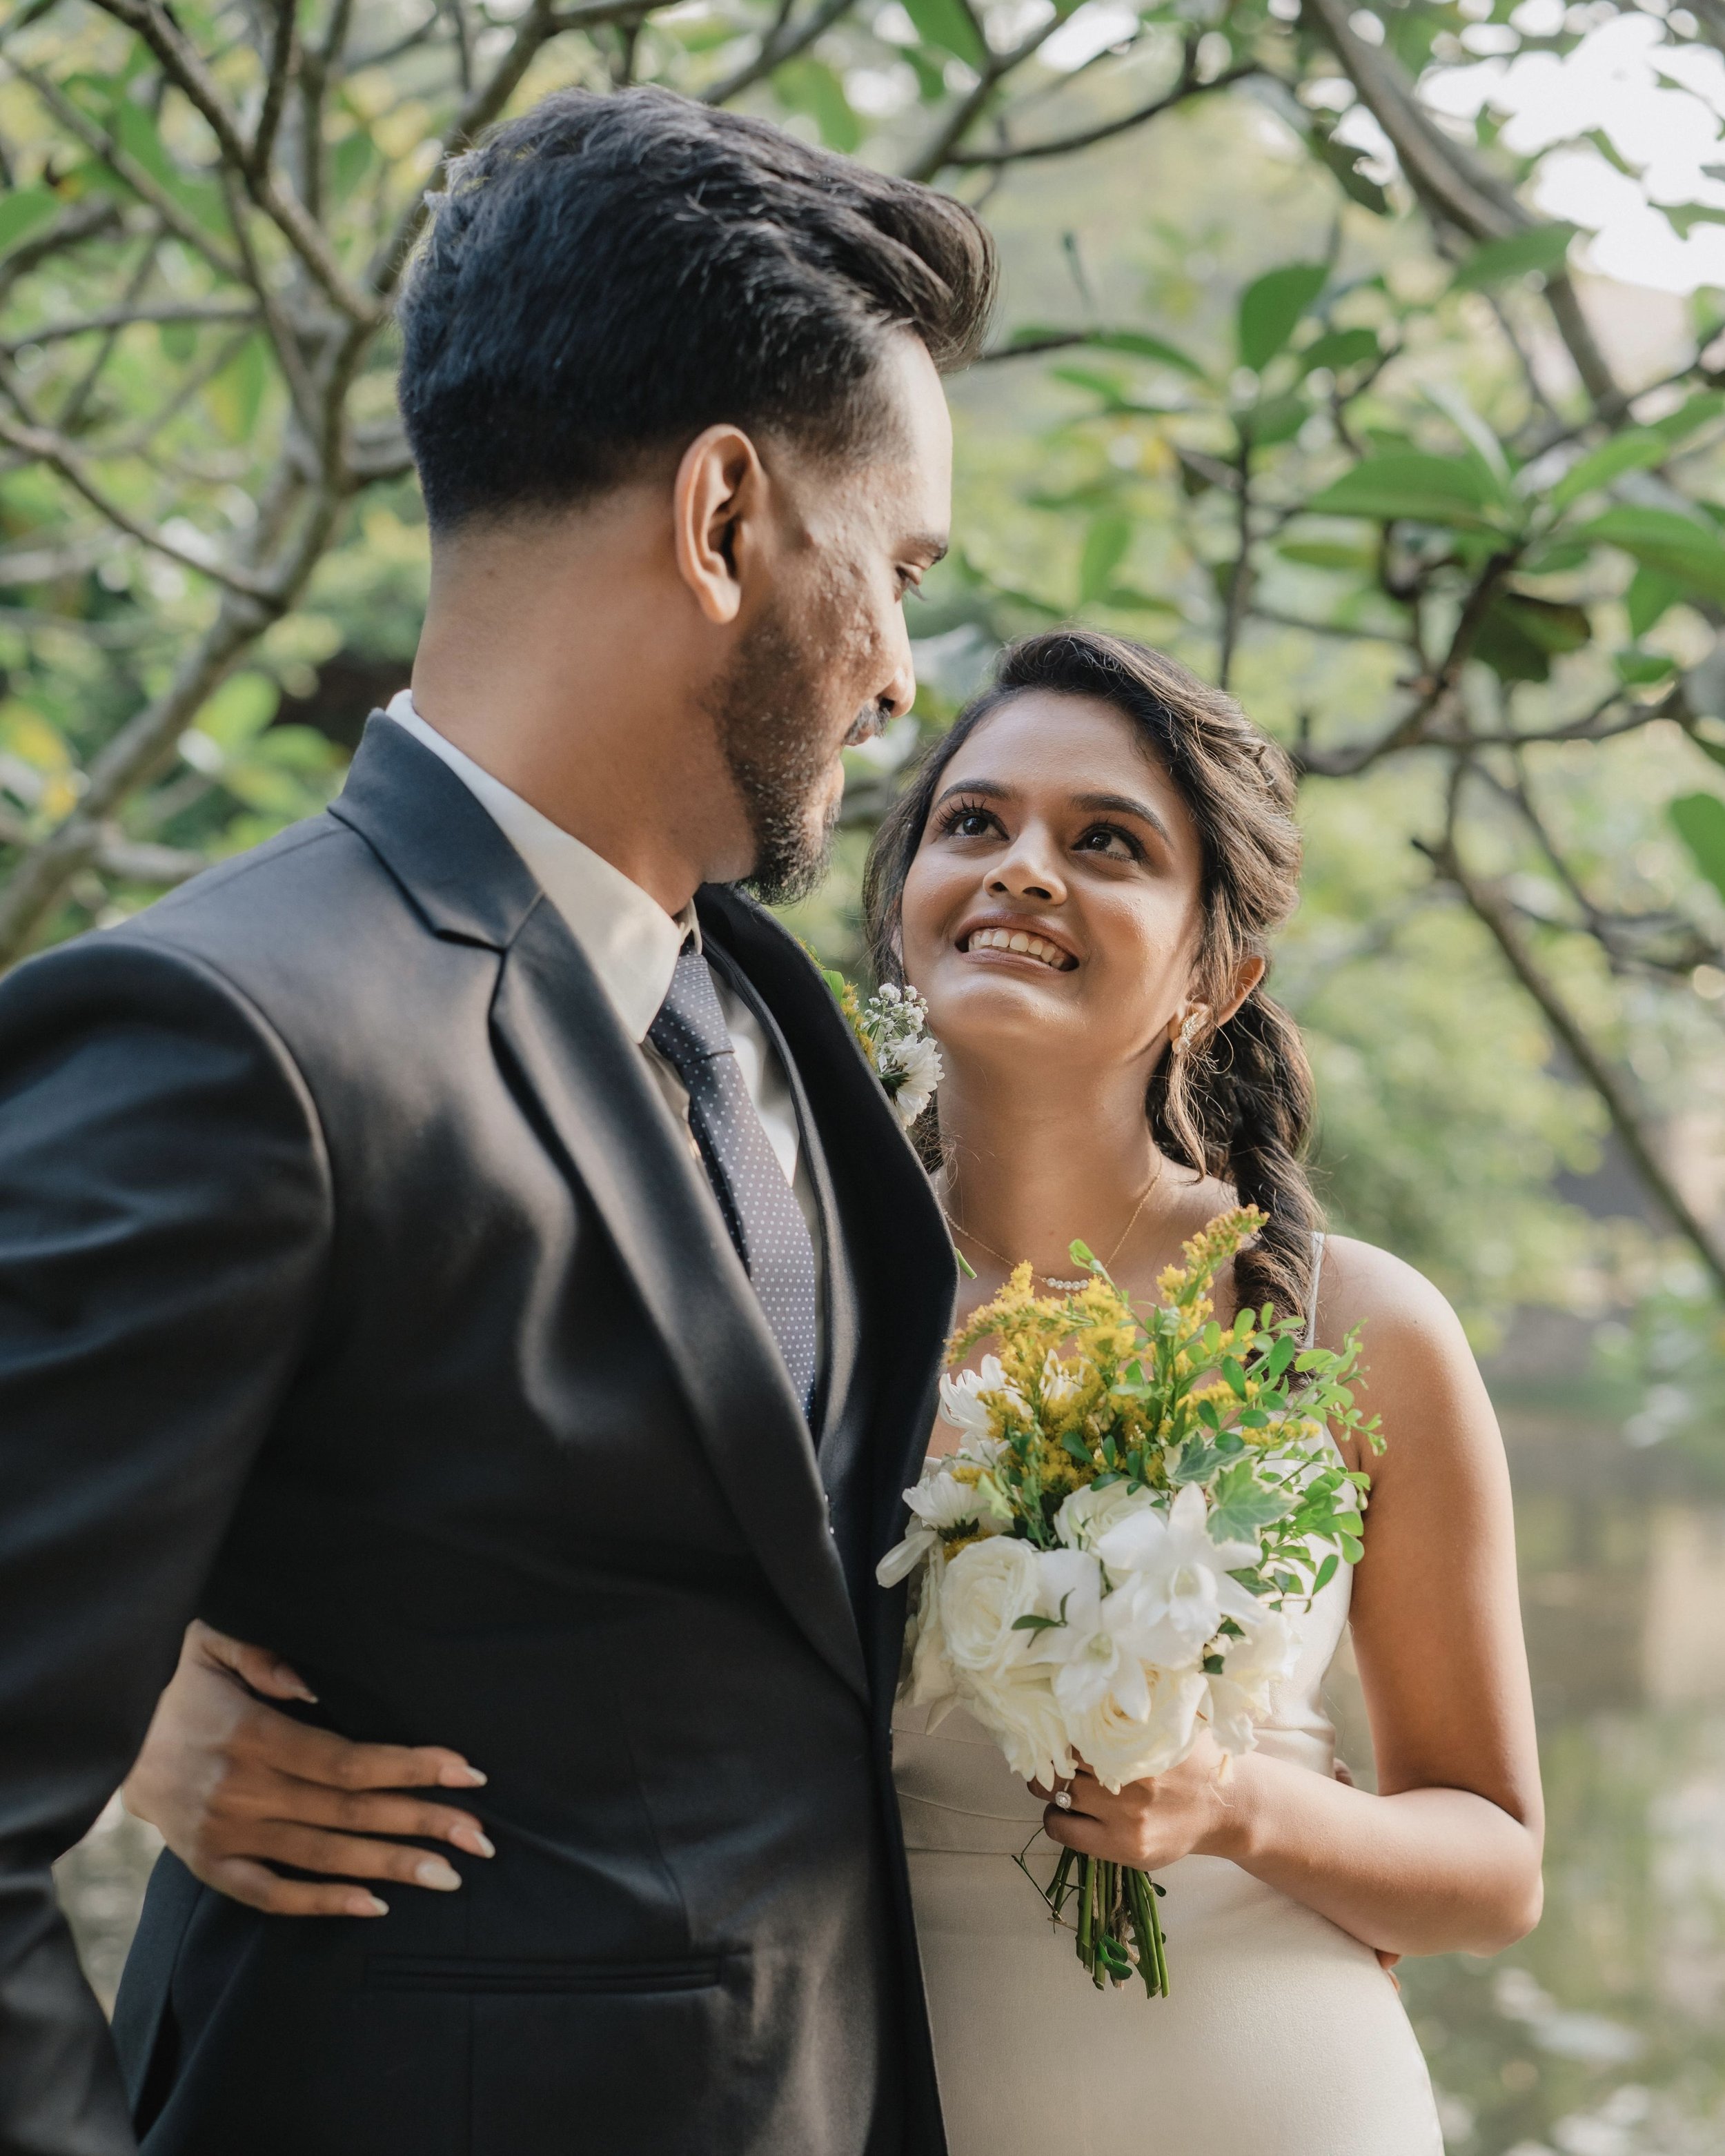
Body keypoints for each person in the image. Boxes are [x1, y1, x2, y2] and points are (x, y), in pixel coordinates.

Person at [137, 631, 1546, 2155]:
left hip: (1256, 2089)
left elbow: (1489, 1860)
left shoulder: (1351, 1324)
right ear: (903, 906)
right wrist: (149, 1716)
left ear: (1216, 974)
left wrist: (1235, 1806)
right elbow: (423, 1519)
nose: (1021, 869)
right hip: (843, 2088)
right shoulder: (765, 1279)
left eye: (1106, 843)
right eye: (971, 824)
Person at [0, 87, 994, 2156]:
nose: (903, 672)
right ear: (725, 518)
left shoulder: (774, 1009)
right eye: (892, 568)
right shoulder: (225, 1034)